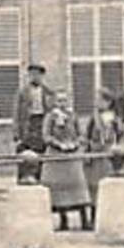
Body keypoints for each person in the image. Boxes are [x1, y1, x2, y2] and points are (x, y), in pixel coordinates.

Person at [41, 91, 91, 231]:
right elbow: (46, 136)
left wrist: (75, 144)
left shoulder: (73, 116)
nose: (62, 104)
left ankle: (84, 219)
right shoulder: (50, 117)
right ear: (55, 102)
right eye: (59, 101)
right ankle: (63, 220)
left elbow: (81, 135)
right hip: (56, 156)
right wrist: (58, 144)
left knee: (78, 185)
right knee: (59, 188)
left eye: (64, 100)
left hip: (72, 156)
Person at [82, 87, 124, 217]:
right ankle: (93, 215)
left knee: (109, 184)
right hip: (96, 155)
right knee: (94, 187)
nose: (97, 102)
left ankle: (110, 214)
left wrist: (119, 148)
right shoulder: (93, 118)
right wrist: (88, 150)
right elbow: (87, 135)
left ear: (108, 102)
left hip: (109, 156)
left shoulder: (115, 118)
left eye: (100, 100)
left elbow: (120, 135)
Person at [11, 62, 53, 153]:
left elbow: (52, 110)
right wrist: (16, 132)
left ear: (42, 76)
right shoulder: (22, 92)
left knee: (42, 150)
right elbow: (16, 113)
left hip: (42, 122)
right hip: (29, 123)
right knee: (27, 152)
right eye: (32, 74)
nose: (35, 77)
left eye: (37, 74)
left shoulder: (48, 92)